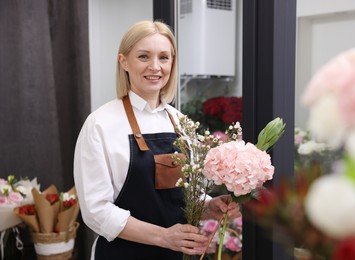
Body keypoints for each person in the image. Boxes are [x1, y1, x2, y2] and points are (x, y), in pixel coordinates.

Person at [73, 20, 241, 260]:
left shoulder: (181, 123)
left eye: (164, 57)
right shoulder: (100, 124)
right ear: (124, 62)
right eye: (143, 56)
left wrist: (207, 206)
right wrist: (163, 237)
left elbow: (179, 196)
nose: (155, 66)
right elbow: (96, 211)